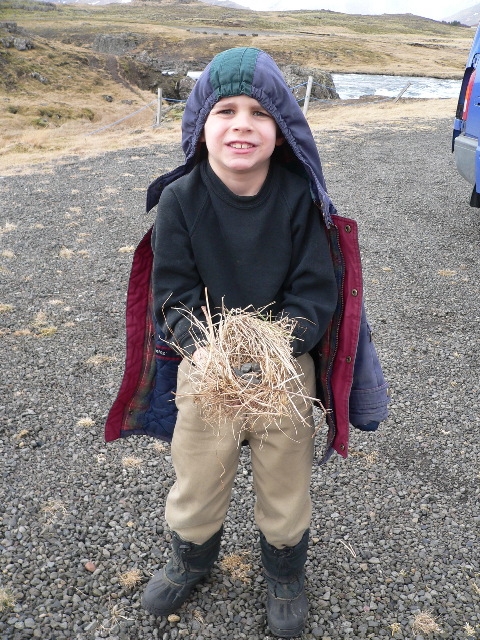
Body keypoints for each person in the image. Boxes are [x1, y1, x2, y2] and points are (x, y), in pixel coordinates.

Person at [105, 47, 389, 639]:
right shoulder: (181, 200)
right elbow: (174, 292)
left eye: (260, 112)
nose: (241, 124)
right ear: (200, 124)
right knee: (198, 470)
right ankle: (191, 558)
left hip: (284, 368)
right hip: (205, 365)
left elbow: (315, 293)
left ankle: (285, 570)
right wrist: (203, 347)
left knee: (285, 476)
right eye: (225, 111)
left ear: (282, 129)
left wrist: (276, 346)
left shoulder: (297, 200)